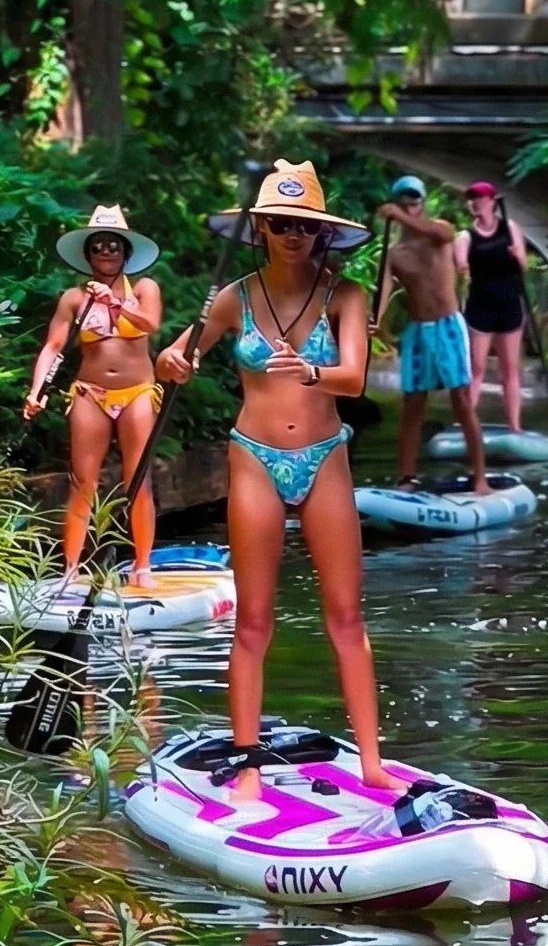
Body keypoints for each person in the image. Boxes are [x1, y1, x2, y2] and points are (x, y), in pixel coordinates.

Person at [155, 162, 397, 802]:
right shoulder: (234, 296)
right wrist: (174, 360)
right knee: (254, 621)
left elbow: (354, 378)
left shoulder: (344, 295)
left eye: (305, 225)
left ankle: (372, 762)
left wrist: (312, 372)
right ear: (261, 228)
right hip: (255, 455)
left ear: (321, 234)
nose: (293, 234)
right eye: (281, 223)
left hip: (324, 455)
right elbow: (175, 355)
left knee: (346, 615)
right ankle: (248, 763)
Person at [24, 204, 163, 588]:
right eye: (98, 245)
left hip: (137, 391)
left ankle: (142, 565)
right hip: (90, 392)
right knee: (83, 481)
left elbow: (151, 323)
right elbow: (53, 347)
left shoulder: (145, 288)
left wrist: (114, 302)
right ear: (88, 254)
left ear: (125, 252)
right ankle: (70, 568)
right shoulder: (73, 298)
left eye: (114, 245)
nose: (106, 251)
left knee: (138, 479)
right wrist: (36, 391)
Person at [377, 176, 489, 493]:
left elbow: (442, 233)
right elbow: (384, 289)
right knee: (413, 405)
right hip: (416, 330)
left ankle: (479, 477)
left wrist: (398, 216)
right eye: (403, 202)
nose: (409, 207)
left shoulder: (439, 231)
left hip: (448, 326)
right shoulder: (395, 252)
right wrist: (376, 317)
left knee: (462, 401)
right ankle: (406, 478)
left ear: (422, 203)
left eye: (414, 201)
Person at [455, 180, 528, 433]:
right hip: (481, 307)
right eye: (472, 198)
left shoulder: (509, 227)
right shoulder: (465, 236)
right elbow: (461, 265)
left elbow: (523, 266)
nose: (475, 203)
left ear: (491, 202)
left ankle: (515, 427)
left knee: (510, 369)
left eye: (479, 198)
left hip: (509, 304)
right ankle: (466, 425)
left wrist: (518, 255)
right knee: (476, 368)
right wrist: (462, 269)